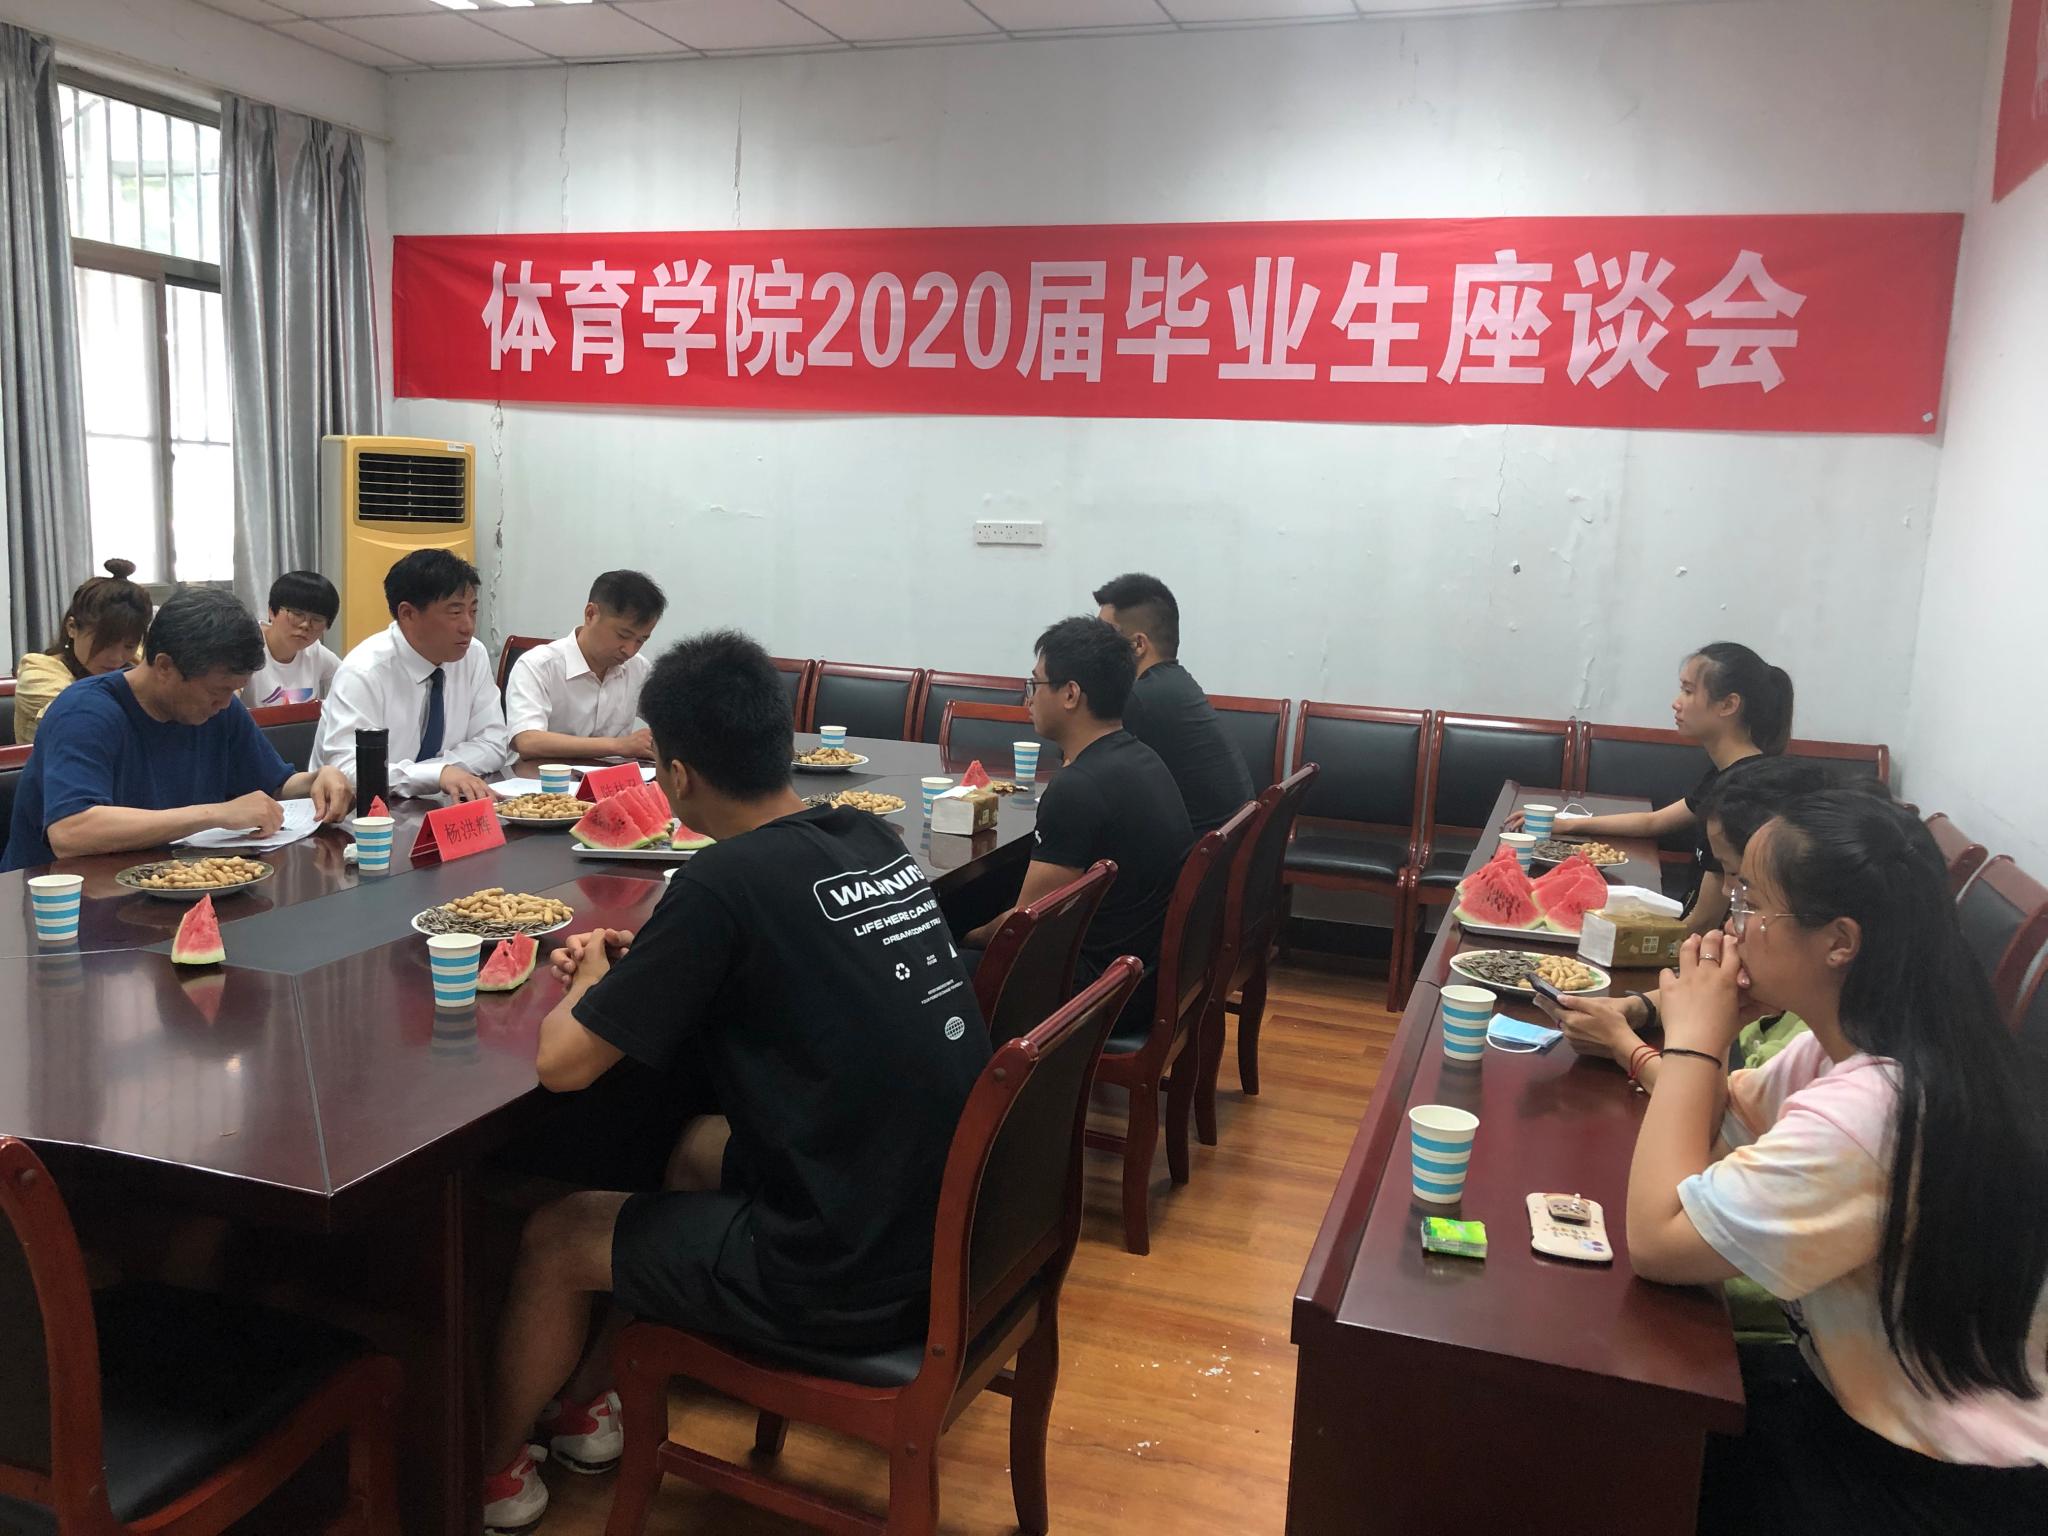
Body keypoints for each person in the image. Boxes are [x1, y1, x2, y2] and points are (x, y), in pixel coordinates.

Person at [481, 630, 989, 1535]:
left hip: (846, 1269)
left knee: (558, 1236)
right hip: (940, 1218)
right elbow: (787, 961)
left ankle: (484, 1473)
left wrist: (591, 979)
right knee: (689, 1147)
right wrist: (661, 966)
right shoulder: (864, 834)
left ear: (676, 776)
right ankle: (584, 1405)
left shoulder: (721, 879)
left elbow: (563, 1066)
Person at [1625, 791, 2048, 1533]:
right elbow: (1721, 1130)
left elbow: (1658, 1241)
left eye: (1752, 903)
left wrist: (1693, 1039)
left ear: (1839, 941)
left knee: (1617, 1460)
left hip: (1940, 1480)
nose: (1731, 926)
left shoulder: (1877, 1111)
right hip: (1853, 1401)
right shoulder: (1859, 1043)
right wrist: (1686, 1046)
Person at [2, 588, 354, 872]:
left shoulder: (221, 709)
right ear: (164, 666)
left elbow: (275, 783)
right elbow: (71, 831)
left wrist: (317, 779)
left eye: (234, 691)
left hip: (174, 884)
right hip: (64, 906)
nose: (225, 703)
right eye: (216, 691)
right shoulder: (85, 712)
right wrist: (216, 813)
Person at [1553, 755, 1838, 1091]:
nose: (1727, 892)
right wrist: (1635, 1008)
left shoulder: (1814, 1039)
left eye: (1737, 877)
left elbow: (1711, 1106)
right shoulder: (1784, 951)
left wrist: (1624, 1046)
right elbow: (1717, 988)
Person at [966, 616, 1193, 999]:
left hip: (1098, 990)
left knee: (932, 972)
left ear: (1070, 694)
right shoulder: (1143, 757)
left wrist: (965, 935)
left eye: (1035, 684)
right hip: (1142, 970)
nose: (1028, 699)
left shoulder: (1077, 787)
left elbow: (1023, 927)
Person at [1534, 642, 1794, 933]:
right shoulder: (1727, 774)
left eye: (1688, 691)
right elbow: (1654, 822)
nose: (1676, 702)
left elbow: (1703, 923)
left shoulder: (1746, 793)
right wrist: (1569, 825)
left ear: (1728, 705)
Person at [310, 548, 509, 801]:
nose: (468, 627)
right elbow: (348, 770)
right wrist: (436, 775)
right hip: (357, 814)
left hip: (436, 806)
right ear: (408, 614)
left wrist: (438, 773)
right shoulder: (363, 671)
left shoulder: (473, 655)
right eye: (455, 612)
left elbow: (493, 743)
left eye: (473, 611)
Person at [1093, 572, 1253, 834]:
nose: (1095, 648)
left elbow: (1091, 786)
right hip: (1223, 847)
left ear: (1137, 645)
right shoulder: (1177, 683)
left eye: (1104, 637)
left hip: (1193, 852)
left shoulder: (1141, 699)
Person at [504, 570, 666, 763]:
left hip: (612, 778)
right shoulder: (538, 666)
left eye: (641, 640)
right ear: (591, 614)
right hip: (542, 778)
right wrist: (619, 746)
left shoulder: (638, 668)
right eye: (623, 635)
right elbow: (527, 741)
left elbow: (670, 719)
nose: (630, 651)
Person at [13, 558, 153, 746]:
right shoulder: (37, 672)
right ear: (72, 627)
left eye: (129, 646)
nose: (117, 657)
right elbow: (82, 722)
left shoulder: (136, 660)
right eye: (105, 643)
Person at [245, 570, 342, 708]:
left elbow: (351, 680)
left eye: (317, 619)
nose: (305, 625)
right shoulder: (245, 646)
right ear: (272, 611)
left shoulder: (315, 652)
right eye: (297, 614)